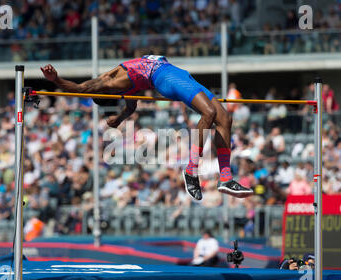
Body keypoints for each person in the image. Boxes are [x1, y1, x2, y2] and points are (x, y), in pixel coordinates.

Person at [41, 55, 253, 201]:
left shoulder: (128, 91)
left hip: (177, 73)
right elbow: (79, 88)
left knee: (224, 118)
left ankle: (225, 178)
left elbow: (131, 107)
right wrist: (56, 79)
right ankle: (190, 171)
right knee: (209, 113)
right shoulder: (107, 81)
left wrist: (120, 117)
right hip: (164, 77)